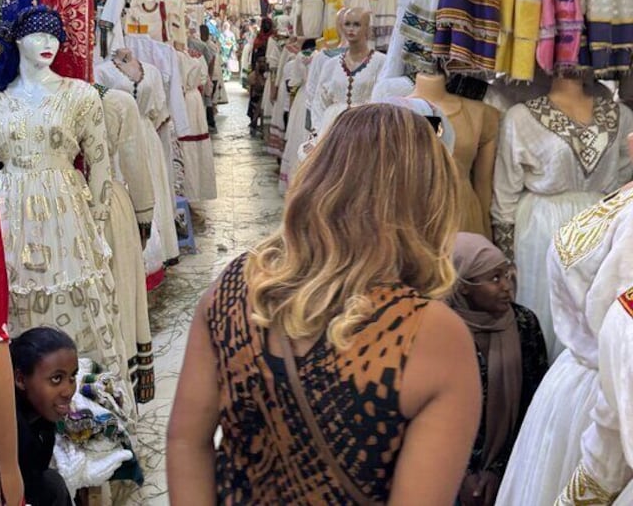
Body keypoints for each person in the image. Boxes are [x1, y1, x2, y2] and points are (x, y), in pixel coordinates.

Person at [167, 104, 482, 504]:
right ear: (430, 199)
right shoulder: (431, 333)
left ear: (318, 176)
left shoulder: (237, 288)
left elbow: (185, 442)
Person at [449, 233, 548, 506]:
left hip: (514, 462)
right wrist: (462, 473)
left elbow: (534, 404)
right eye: (494, 279)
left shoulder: (524, 323)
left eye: (507, 274)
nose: (507, 286)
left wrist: (498, 469)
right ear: (464, 286)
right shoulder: (441, 331)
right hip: (447, 466)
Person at [11, 327, 79, 506]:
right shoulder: (10, 432)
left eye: (72, 377)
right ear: (20, 379)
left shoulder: (41, 419)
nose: (68, 391)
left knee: (53, 484)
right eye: (56, 379)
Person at [247, 57, 268, 137]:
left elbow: (263, 85)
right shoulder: (253, 75)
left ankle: (255, 121)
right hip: (256, 98)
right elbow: (251, 82)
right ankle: (254, 120)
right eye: (260, 62)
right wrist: (257, 73)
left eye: (263, 62)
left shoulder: (267, 74)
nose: (262, 64)